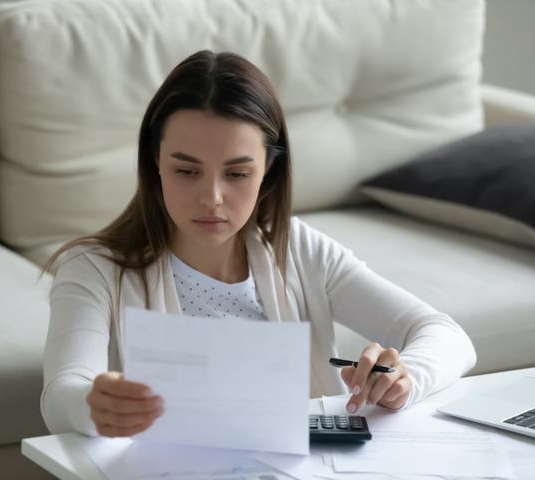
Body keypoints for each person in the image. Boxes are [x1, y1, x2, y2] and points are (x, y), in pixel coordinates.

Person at [40, 50, 476, 438]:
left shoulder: (301, 249)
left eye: (236, 173)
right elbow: (63, 392)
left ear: (268, 169)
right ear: (155, 162)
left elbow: (446, 335)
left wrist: (404, 380)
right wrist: (93, 406)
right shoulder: (94, 268)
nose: (211, 197)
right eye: (187, 171)